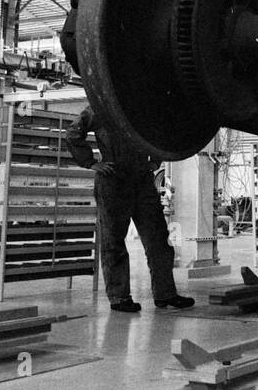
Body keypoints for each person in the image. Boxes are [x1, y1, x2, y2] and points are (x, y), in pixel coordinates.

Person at [64, 106, 194, 312]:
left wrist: (155, 160)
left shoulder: (142, 106)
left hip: (142, 179)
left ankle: (165, 294)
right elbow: (73, 133)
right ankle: (119, 297)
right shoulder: (101, 105)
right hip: (113, 178)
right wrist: (90, 162)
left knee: (158, 240)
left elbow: (160, 132)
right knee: (113, 241)